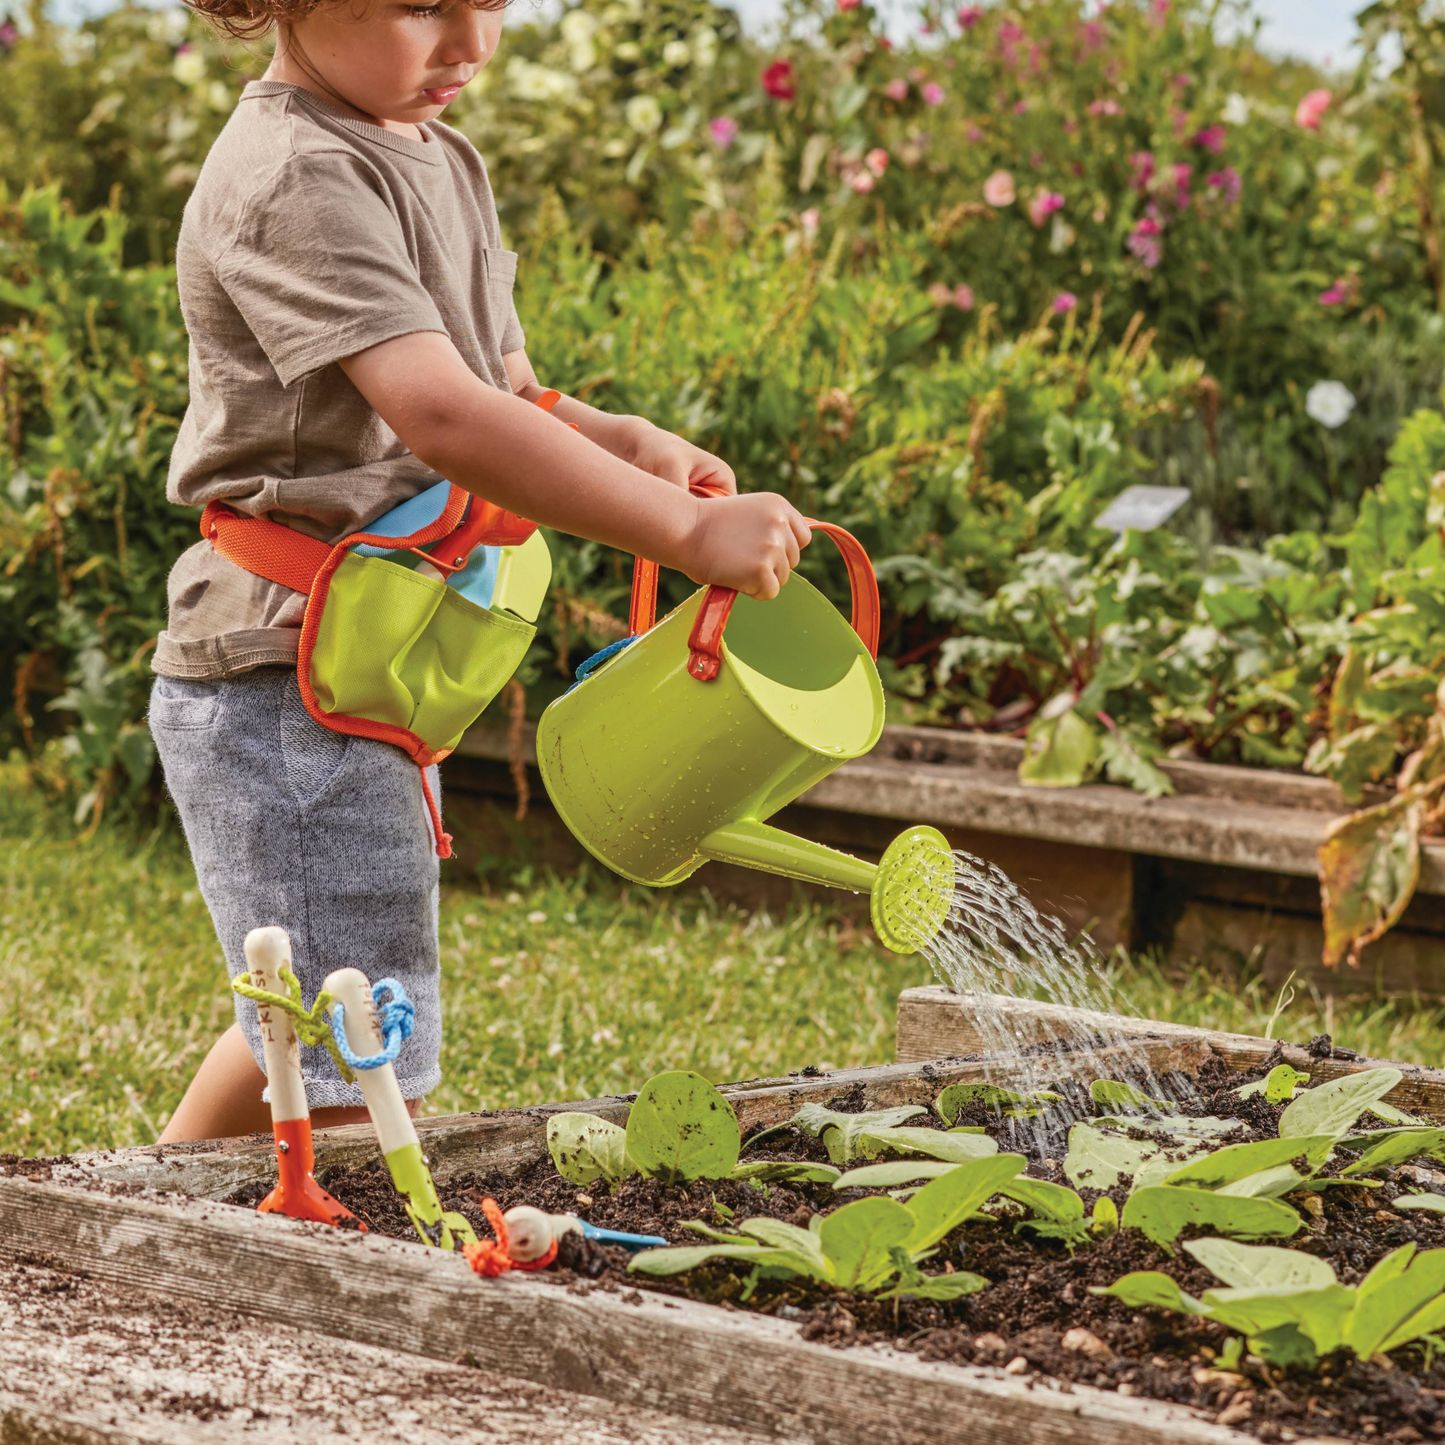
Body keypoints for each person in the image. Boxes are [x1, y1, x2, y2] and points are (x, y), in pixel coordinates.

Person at [149, 0, 811, 1142]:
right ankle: (289, 1269)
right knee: (366, 1037)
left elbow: (502, 390)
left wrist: (625, 439)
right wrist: (683, 533)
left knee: (321, 998)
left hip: (368, 657)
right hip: (284, 671)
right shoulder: (295, 174)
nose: (469, 44)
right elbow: (443, 415)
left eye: (490, 2)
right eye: (422, 7)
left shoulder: (433, 149)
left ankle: (128, 1216)